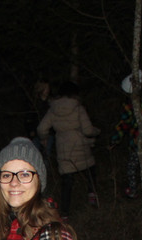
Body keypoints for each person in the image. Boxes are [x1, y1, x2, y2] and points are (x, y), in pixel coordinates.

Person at [36, 81, 100, 216]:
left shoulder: (53, 109)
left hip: (63, 149)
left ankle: (64, 213)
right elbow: (88, 130)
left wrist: (44, 138)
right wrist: (97, 131)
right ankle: (92, 198)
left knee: (67, 181)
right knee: (90, 171)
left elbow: (41, 128)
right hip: (80, 147)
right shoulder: (78, 108)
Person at [109, 72, 142, 199]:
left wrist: (114, 140)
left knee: (132, 167)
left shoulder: (130, 106)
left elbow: (124, 124)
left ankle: (133, 190)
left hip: (140, 142)